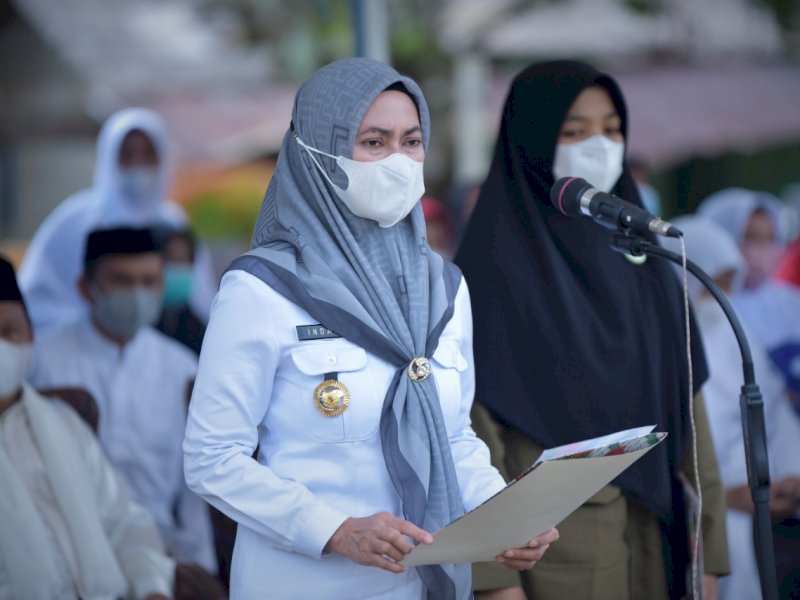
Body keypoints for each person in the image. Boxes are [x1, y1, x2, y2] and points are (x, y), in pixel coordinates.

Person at [182, 57, 558, 600]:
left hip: (419, 585)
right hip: (303, 584)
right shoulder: (261, 291)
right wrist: (334, 530)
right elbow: (211, 458)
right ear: (317, 153)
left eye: (411, 141)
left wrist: (500, 514)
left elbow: (451, 435)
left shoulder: (445, 288)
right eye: (374, 143)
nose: (399, 162)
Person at [454, 60, 729, 600]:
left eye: (612, 129)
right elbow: (471, 439)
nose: (598, 145)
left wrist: (712, 561)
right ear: (530, 140)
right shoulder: (486, 277)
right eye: (574, 132)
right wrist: (494, 584)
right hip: (555, 563)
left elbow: (692, 424)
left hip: (660, 547)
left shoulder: (648, 263)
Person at [29, 227, 218, 575]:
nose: (138, 293)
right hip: (66, 555)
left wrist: (199, 569)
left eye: (149, 281)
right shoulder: (41, 362)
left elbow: (197, 487)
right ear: (86, 288)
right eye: (121, 281)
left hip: (164, 555)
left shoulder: (182, 368)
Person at [0, 255, 174, 600]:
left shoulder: (62, 422)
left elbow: (125, 522)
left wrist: (151, 587)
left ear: (31, 336)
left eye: (9, 331)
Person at [661, 215, 800, 600]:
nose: (717, 296)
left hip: (762, 501)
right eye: (709, 285)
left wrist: (788, 476)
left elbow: (774, 412)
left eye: (726, 284)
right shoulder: (665, 344)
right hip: (705, 511)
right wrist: (726, 494)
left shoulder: (736, 335)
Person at [18, 107, 216, 336]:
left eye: (148, 153)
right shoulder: (75, 220)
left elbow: (200, 298)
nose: (138, 163)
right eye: (128, 153)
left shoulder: (173, 222)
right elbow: (36, 297)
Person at [698, 188, 800, 411]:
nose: (762, 251)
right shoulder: (709, 308)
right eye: (750, 237)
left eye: (771, 238)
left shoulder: (792, 303)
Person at [155, 227, 207, 356]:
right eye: (171, 259)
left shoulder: (200, 331)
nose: (177, 266)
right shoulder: (141, 323)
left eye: (183, 260)